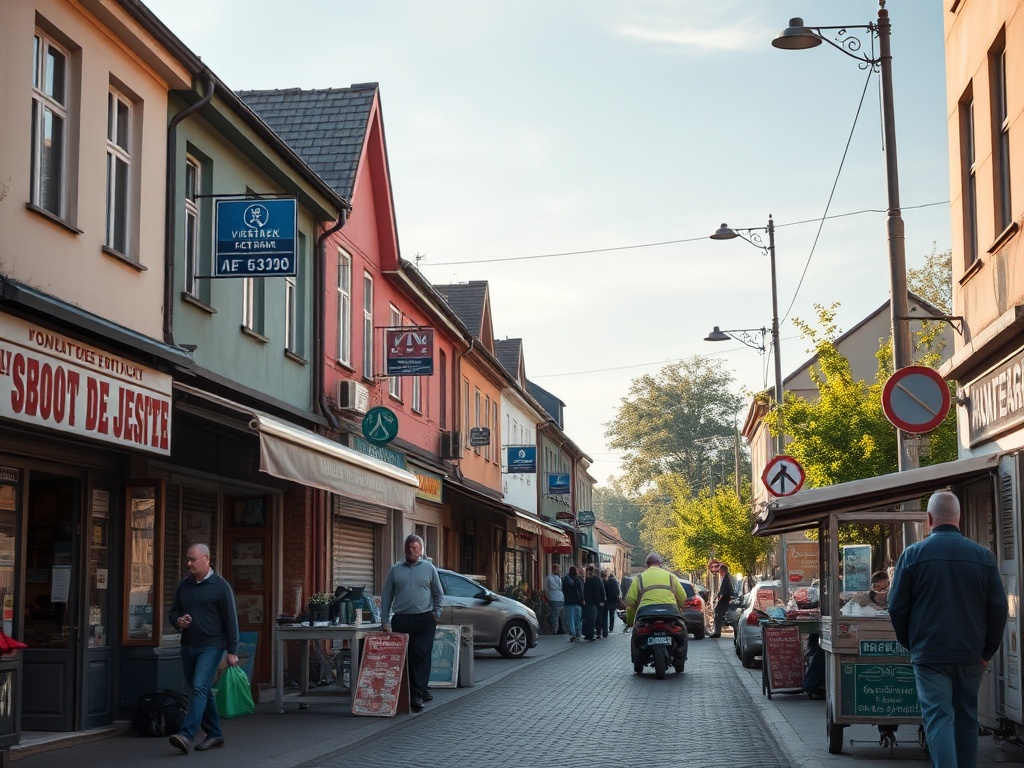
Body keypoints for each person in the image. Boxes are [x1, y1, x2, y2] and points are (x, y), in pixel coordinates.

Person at [889, 491, 1008, 768]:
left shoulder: (912, 555)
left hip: (929, 653)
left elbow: (896, 607)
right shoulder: (983, 557)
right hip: (971, 653)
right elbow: (999, 608)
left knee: (938, 717)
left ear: (929, 518)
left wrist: (912, 644)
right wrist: (987, 651)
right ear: (959, 518)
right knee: (967, 717)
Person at [167, 543, 239, 754]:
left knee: (198, 687)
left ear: (206, 560)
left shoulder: (221, 586)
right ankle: (215, 734)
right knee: (201, 690)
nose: (188, 563)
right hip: (188, 645)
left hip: (211, 646)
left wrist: (232, 651)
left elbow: (231, 620)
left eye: (192, 559)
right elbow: (173, 612)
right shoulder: (184, 585)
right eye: (187, 559)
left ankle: (186, 735)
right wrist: (178, 621)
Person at [381, 534, 443, 712]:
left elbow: (438, 593)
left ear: (421, 550)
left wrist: (436, 614)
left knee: (422, 653)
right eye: (408, 547)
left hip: (424, 619)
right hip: (402, 619)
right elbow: (387, 596)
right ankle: (418, 689)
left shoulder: (429, 568)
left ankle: (417, 694)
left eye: (414, 547)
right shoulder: (396, 569)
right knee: (407, 656)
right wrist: (384, 620)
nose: (411, 550)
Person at [623, 552, 688, 626]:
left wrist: (631, 622)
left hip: (646, 613)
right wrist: (679, 609)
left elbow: (630, 601)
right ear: (660, 564)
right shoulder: (671, 576)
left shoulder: (639, 577)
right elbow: (682, 596)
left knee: (638, 631)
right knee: (681, 628)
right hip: (670, 611)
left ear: (647, 565)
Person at [709, 563, 735, 638]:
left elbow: (725, 591)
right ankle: (717, 631)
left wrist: (719, 599)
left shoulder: (727, 579)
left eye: (720, 571)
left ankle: (717, 632)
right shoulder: (727, 578)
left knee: (718, 614)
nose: (719, 573)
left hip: (724, 600)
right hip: (725, 599)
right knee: (718, 614)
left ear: (723, 571)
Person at [562, 565, 584, 642]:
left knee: (570, 619)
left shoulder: (566, 580)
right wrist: (582, 600)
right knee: (578, 619)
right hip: (578, 602)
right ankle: (578, 633)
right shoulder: (578, 580)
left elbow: (563, 590)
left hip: (569, 602)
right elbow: (581, 591)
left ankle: (572, 635)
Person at [582, 564, 605, 640]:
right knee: (594, 619)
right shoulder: (597, 580)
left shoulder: (588, 580)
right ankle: (595, 633)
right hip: (596, 603)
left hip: (590, 603)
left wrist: (585, 600)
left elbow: (585, 592)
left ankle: (590, 634)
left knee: (590, 619)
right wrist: (601, 601)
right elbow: (602, 591)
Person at [544, 564, 565, 635]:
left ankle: (560, 629)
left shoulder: (559, 578)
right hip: (554, 598)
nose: (559, 571)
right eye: (558, 569)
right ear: (554, 570)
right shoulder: (550, 578)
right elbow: (555, 587)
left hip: (560, 598)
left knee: (559, 615)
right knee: (555, 615)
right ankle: (554, 630)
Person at [602, 569, 620, 638]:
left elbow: (604, 591)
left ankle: (605, 629)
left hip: (607, 601)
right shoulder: (615, 582)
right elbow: (618, 591)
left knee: (605, 615)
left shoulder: (606, 582)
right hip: (614, 601)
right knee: (612, 615)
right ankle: (611, 628)